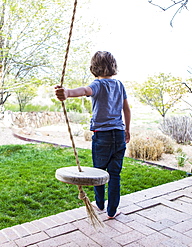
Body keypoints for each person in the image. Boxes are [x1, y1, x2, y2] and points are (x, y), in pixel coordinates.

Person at [55, 51, 131, 219]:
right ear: (114, 66)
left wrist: (67, 93)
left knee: (98, 171)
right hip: (118, 134)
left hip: (102, 136)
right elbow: (126, 109)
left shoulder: (97, 84)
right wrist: (127, 129)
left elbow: (84, 90)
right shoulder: (119, 85)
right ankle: (112, 211)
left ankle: (100, 203)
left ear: (93, 68)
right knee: (115, 174)